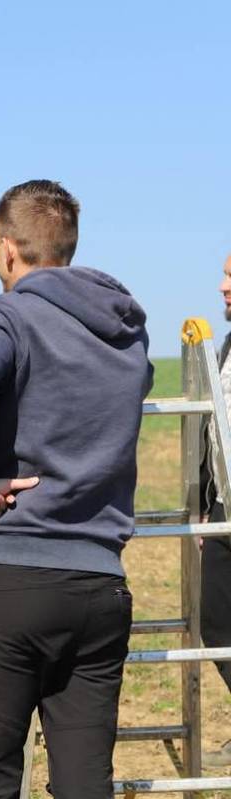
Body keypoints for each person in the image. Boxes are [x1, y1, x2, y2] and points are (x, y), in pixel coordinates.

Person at [0, 180, 153, 797]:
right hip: (101, 584)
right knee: (85, 783)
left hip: (13, 575)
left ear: (7, 248)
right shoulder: (126, 329)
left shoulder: (9, 313)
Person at [199, 254, 231, 766]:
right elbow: (215, 431)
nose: (224, 286)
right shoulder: (225, 345)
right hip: (224, 508)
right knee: (218, 623)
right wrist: (206, 505)